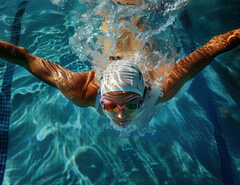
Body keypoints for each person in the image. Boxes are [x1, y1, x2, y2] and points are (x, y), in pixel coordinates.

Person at [0, 28, 239, 128]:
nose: (121, 115)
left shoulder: (161, 87)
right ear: (100, 97)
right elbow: (24, 58)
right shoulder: (81, 90)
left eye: (132, 105)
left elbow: (209, 49)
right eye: (111, 105)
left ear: (145, 94)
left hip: (140, 46)